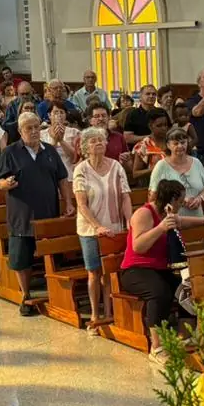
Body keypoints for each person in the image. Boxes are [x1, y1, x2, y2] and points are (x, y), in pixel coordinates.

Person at [121, 180, 204, 364]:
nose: (182, 204)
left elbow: (183, 222)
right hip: (135, 270)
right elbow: (138, 246)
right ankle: (156, 347)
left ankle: (187, 336)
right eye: (181, 201)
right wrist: (160, 228)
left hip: (160, 268)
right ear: (172, 199)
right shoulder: (144, 214)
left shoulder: (169, 213)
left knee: (188, 286)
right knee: (159, 292)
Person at [0, 112, 73, 317]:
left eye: (36, 127)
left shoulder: (50, 151)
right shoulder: (11, 152)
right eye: (29, 128)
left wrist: (69, 203)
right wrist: (6, 184)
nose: (34, 131)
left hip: (48, 213)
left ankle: (55, 294)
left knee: (53, 253)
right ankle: (26, 295)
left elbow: (62, 179)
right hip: (22, 214)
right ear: (20, 131)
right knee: (22, 258)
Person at [72, 126, 132, 334]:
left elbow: (125, 196)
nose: (98, 143)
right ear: (85, 147)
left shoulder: (116, 166)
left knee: (110, 272)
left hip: (114, 226)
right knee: (94, 272)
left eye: (101, 139)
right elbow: (81, 204)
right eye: (93, 140)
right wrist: (98, 227)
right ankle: (95, 317)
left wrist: (130, 221)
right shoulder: (81, 169)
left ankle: (109, 313)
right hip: (90, 230)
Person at [150, 128, 204, 215]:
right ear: (168, 145)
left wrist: (199, 198)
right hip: (173, 219)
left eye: (183, 142)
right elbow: (153, 195)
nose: (180, 146)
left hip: (197, 217)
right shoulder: (161, 166)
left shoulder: (196, 162)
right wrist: (180, 200)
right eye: (175, 143)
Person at [130, 108, 171, 185]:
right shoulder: (144, 146)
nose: (164, 128)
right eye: (159, 126)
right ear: (150, 126)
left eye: (165, 125)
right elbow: (135, 174)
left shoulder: (172, 142)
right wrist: (155, 168)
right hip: (154, 187)